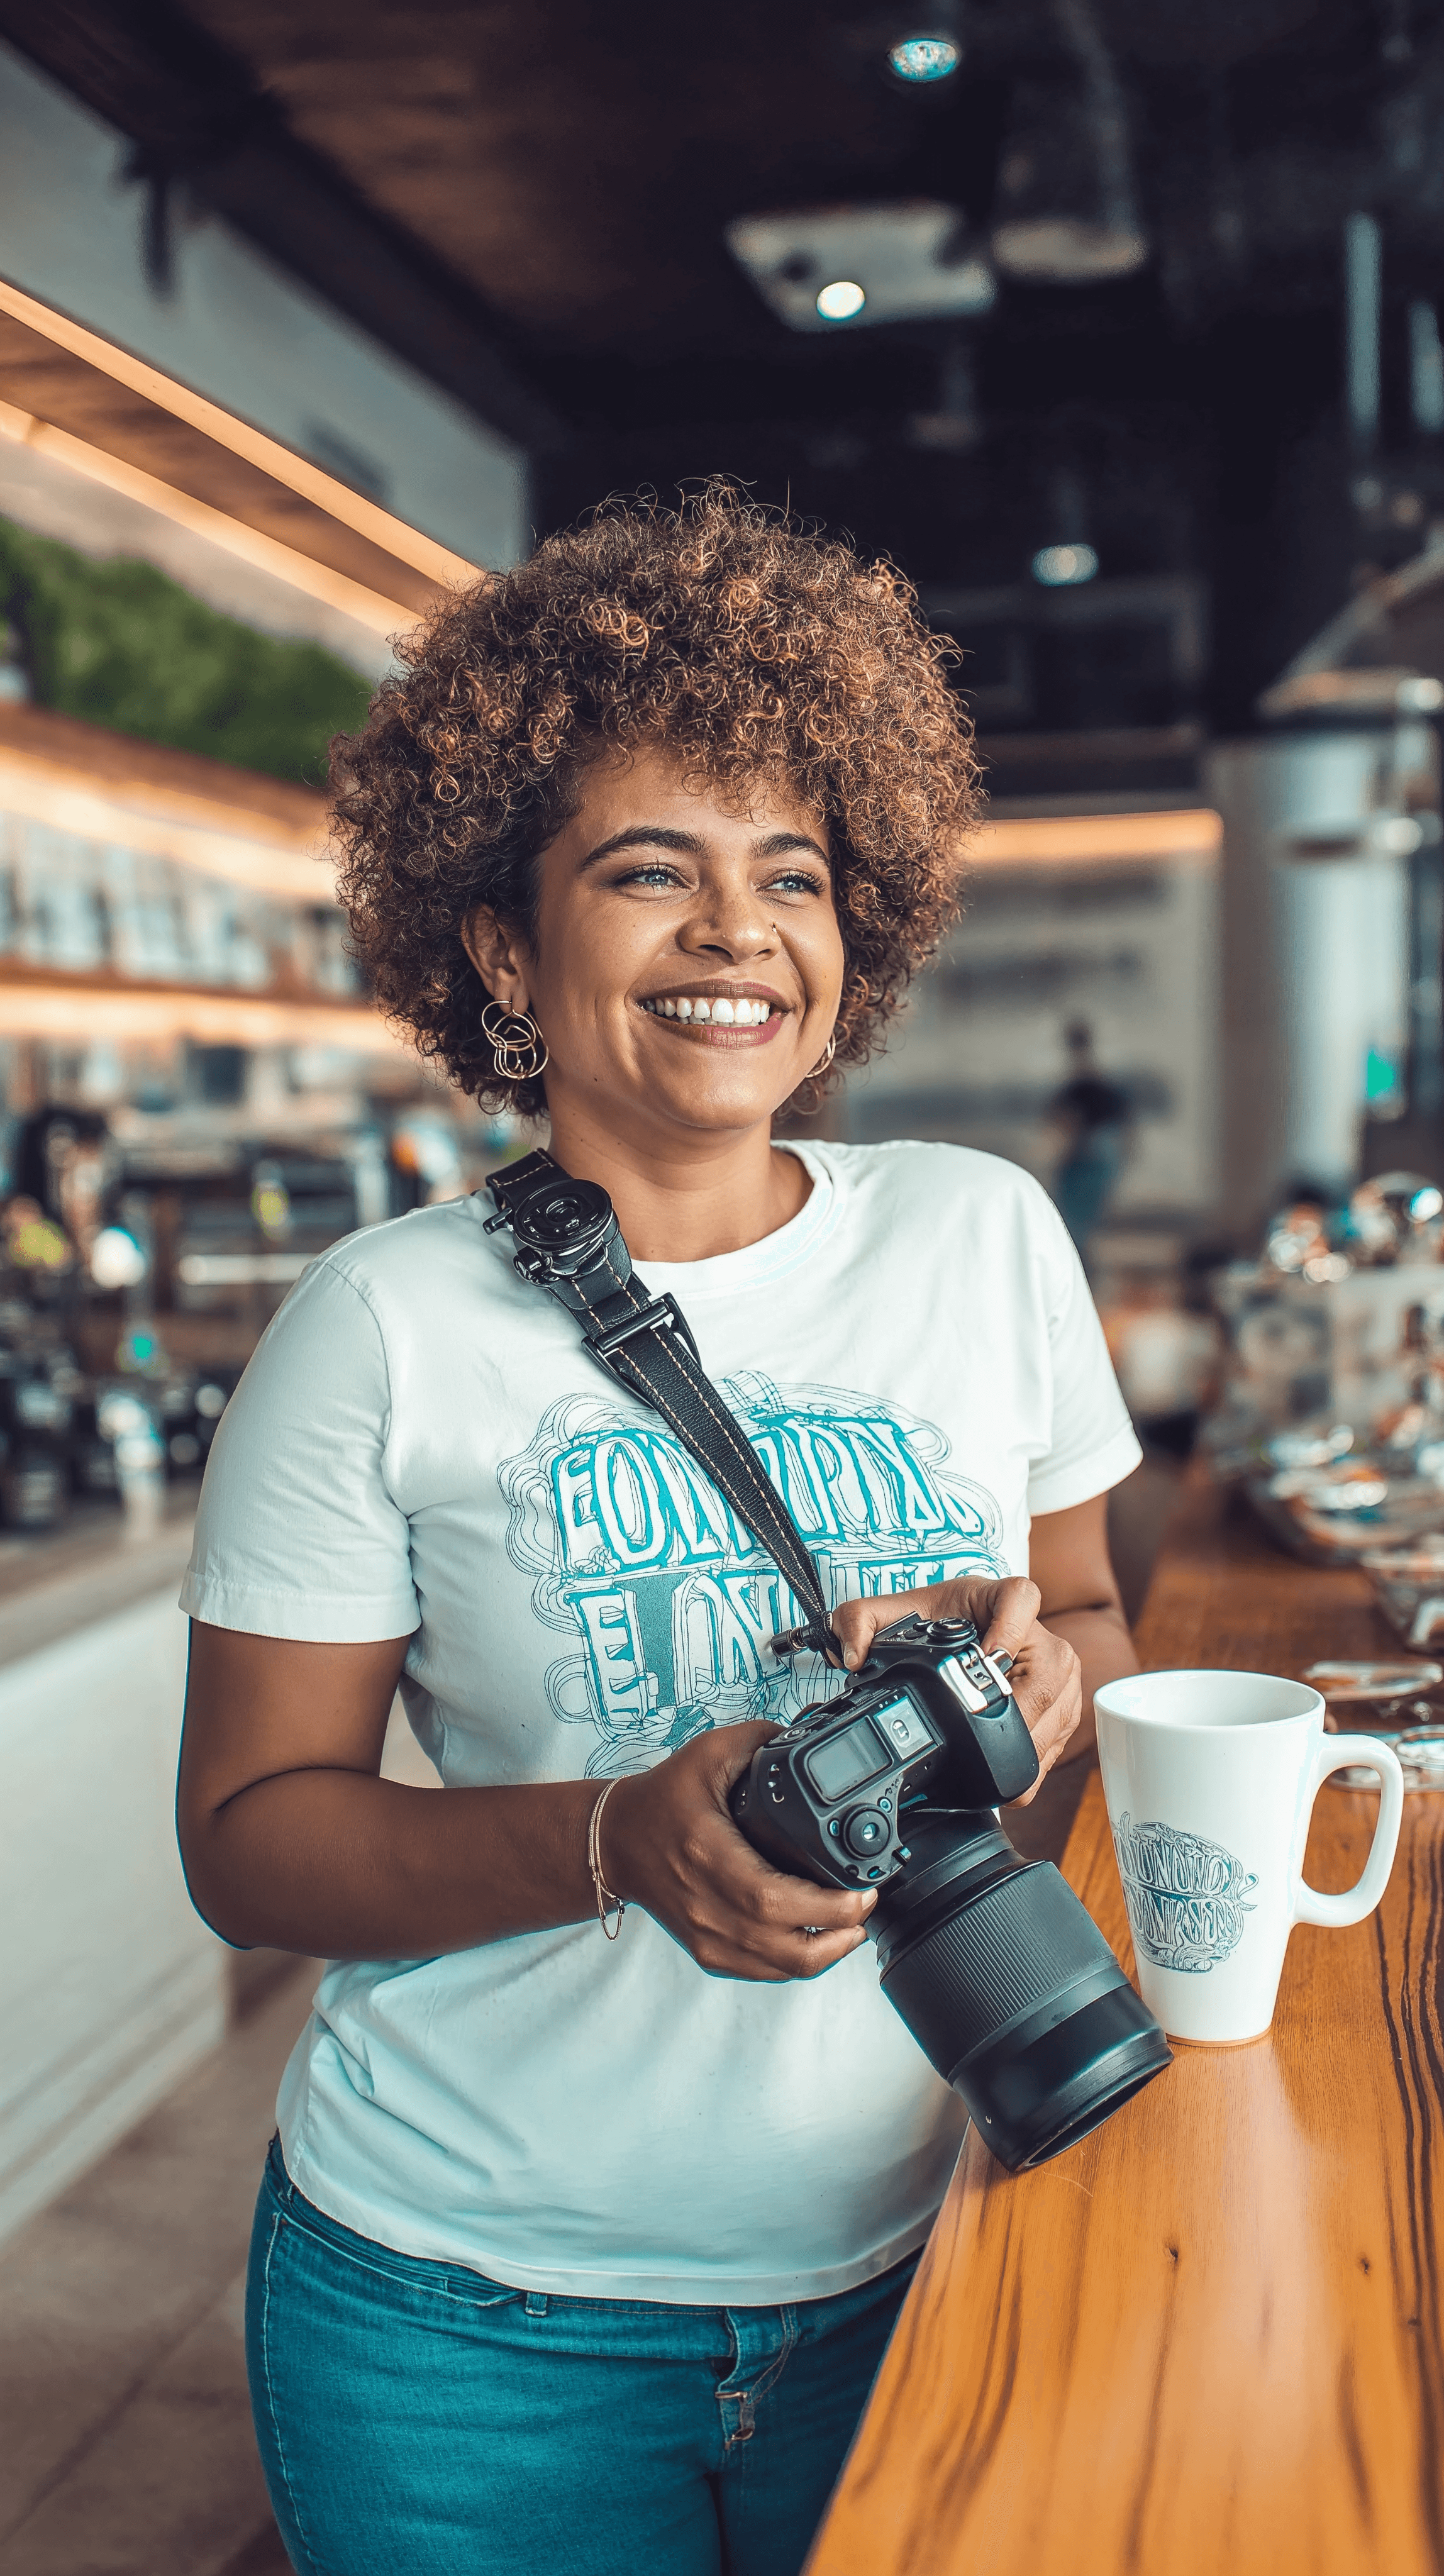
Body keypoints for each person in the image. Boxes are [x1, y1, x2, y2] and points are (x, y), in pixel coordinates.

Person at [175, 487, 1143, 2576]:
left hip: (918, 2237)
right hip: (467, 2320)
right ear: (507, 944)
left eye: (786, 875)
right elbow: (249, 1838)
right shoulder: (379, 1321)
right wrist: (615, 1838)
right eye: (649, 872)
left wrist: (1043, 1681)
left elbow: (1083, 1618)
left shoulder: (981, 1234)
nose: (735, 931)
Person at [1047, 1018, 1132, 1260]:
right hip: (1092, 1158)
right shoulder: (1082, 1088)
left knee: (1079, 1229)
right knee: (1082, 1228)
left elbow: (1068, 1129)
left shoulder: (1084, 1090)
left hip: (1089, 1158)